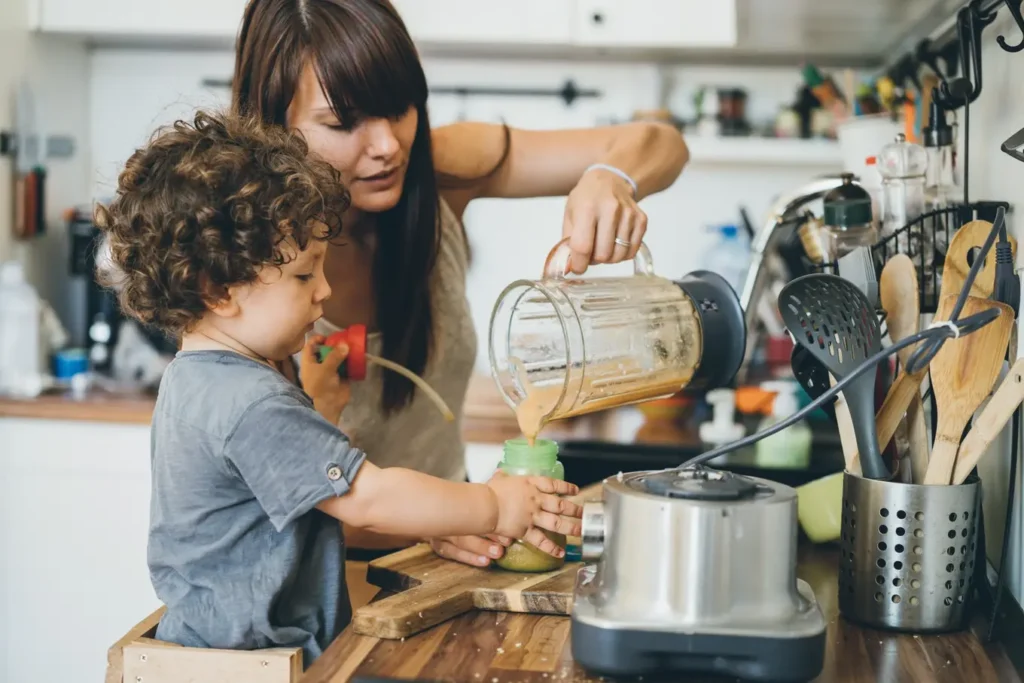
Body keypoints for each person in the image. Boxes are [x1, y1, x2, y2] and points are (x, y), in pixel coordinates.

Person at [95, 109, 582, 666]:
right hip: (253, 667)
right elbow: (367, 500)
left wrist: (321, 404)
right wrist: (493, 506)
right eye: (305, 274)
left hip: (219, 653)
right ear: (218, 290)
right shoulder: (250, 402)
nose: (325, 291)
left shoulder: (196, 379)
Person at [232, 0, 689, 567]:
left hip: (459, 556)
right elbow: (272, 506)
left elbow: (662, 144)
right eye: (343, 122)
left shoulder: (440, 170)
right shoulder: (239, 270)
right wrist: (451, 520)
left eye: (399, 107)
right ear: (272, 125)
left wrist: (611, 178)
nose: (387, 146)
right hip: (326, 585)